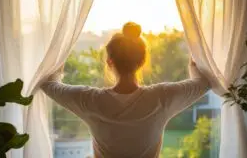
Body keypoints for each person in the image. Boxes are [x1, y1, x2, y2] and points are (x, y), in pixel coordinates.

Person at [41, 22, 210, 158]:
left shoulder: (90, 100)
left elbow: (49, 85)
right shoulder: (162, 98)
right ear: (143, 61)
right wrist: (193, 64)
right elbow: (203, 83)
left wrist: (58, 62)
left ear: (109, 62)